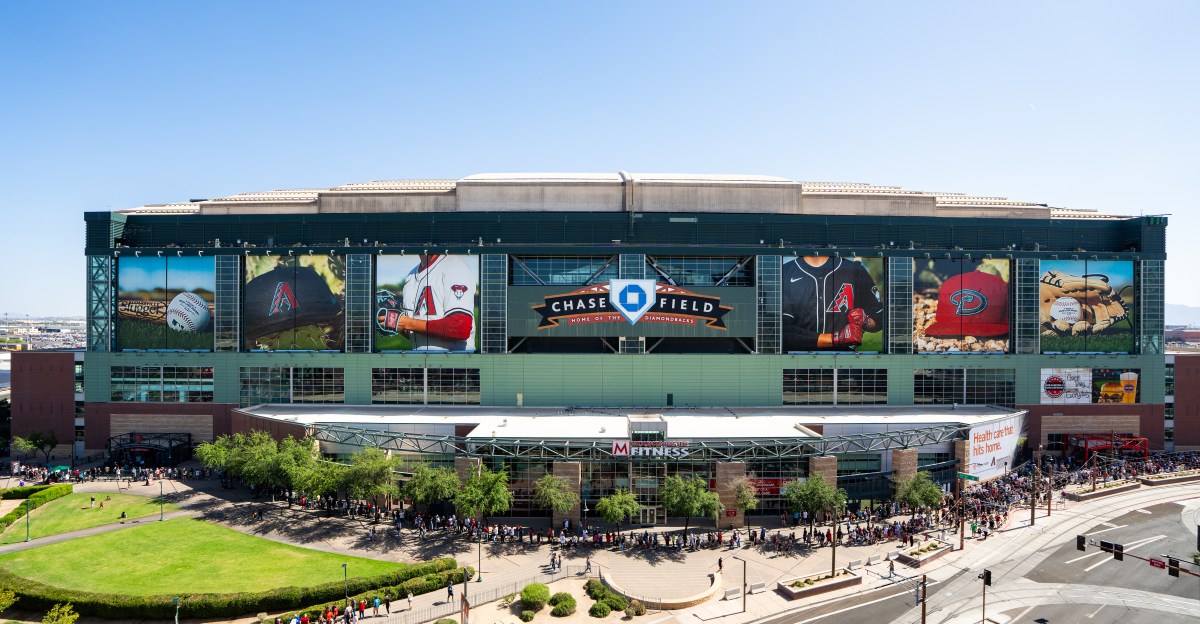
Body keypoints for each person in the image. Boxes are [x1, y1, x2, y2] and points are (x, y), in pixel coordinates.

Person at [377, 253, 477, 352]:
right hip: (420, 362)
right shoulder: (410, 277)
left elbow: (459, 327)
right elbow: (417, 334)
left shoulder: (454, 266)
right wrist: (395, 323)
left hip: (455, 362)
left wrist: (406, 323)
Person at [782, 255, 884, 351]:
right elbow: (782, 331)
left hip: (844, 364)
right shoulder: (784, 272)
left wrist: (866, 320)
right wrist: (836, 338)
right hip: (797, 363)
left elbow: (879, 317)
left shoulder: (854, 270)